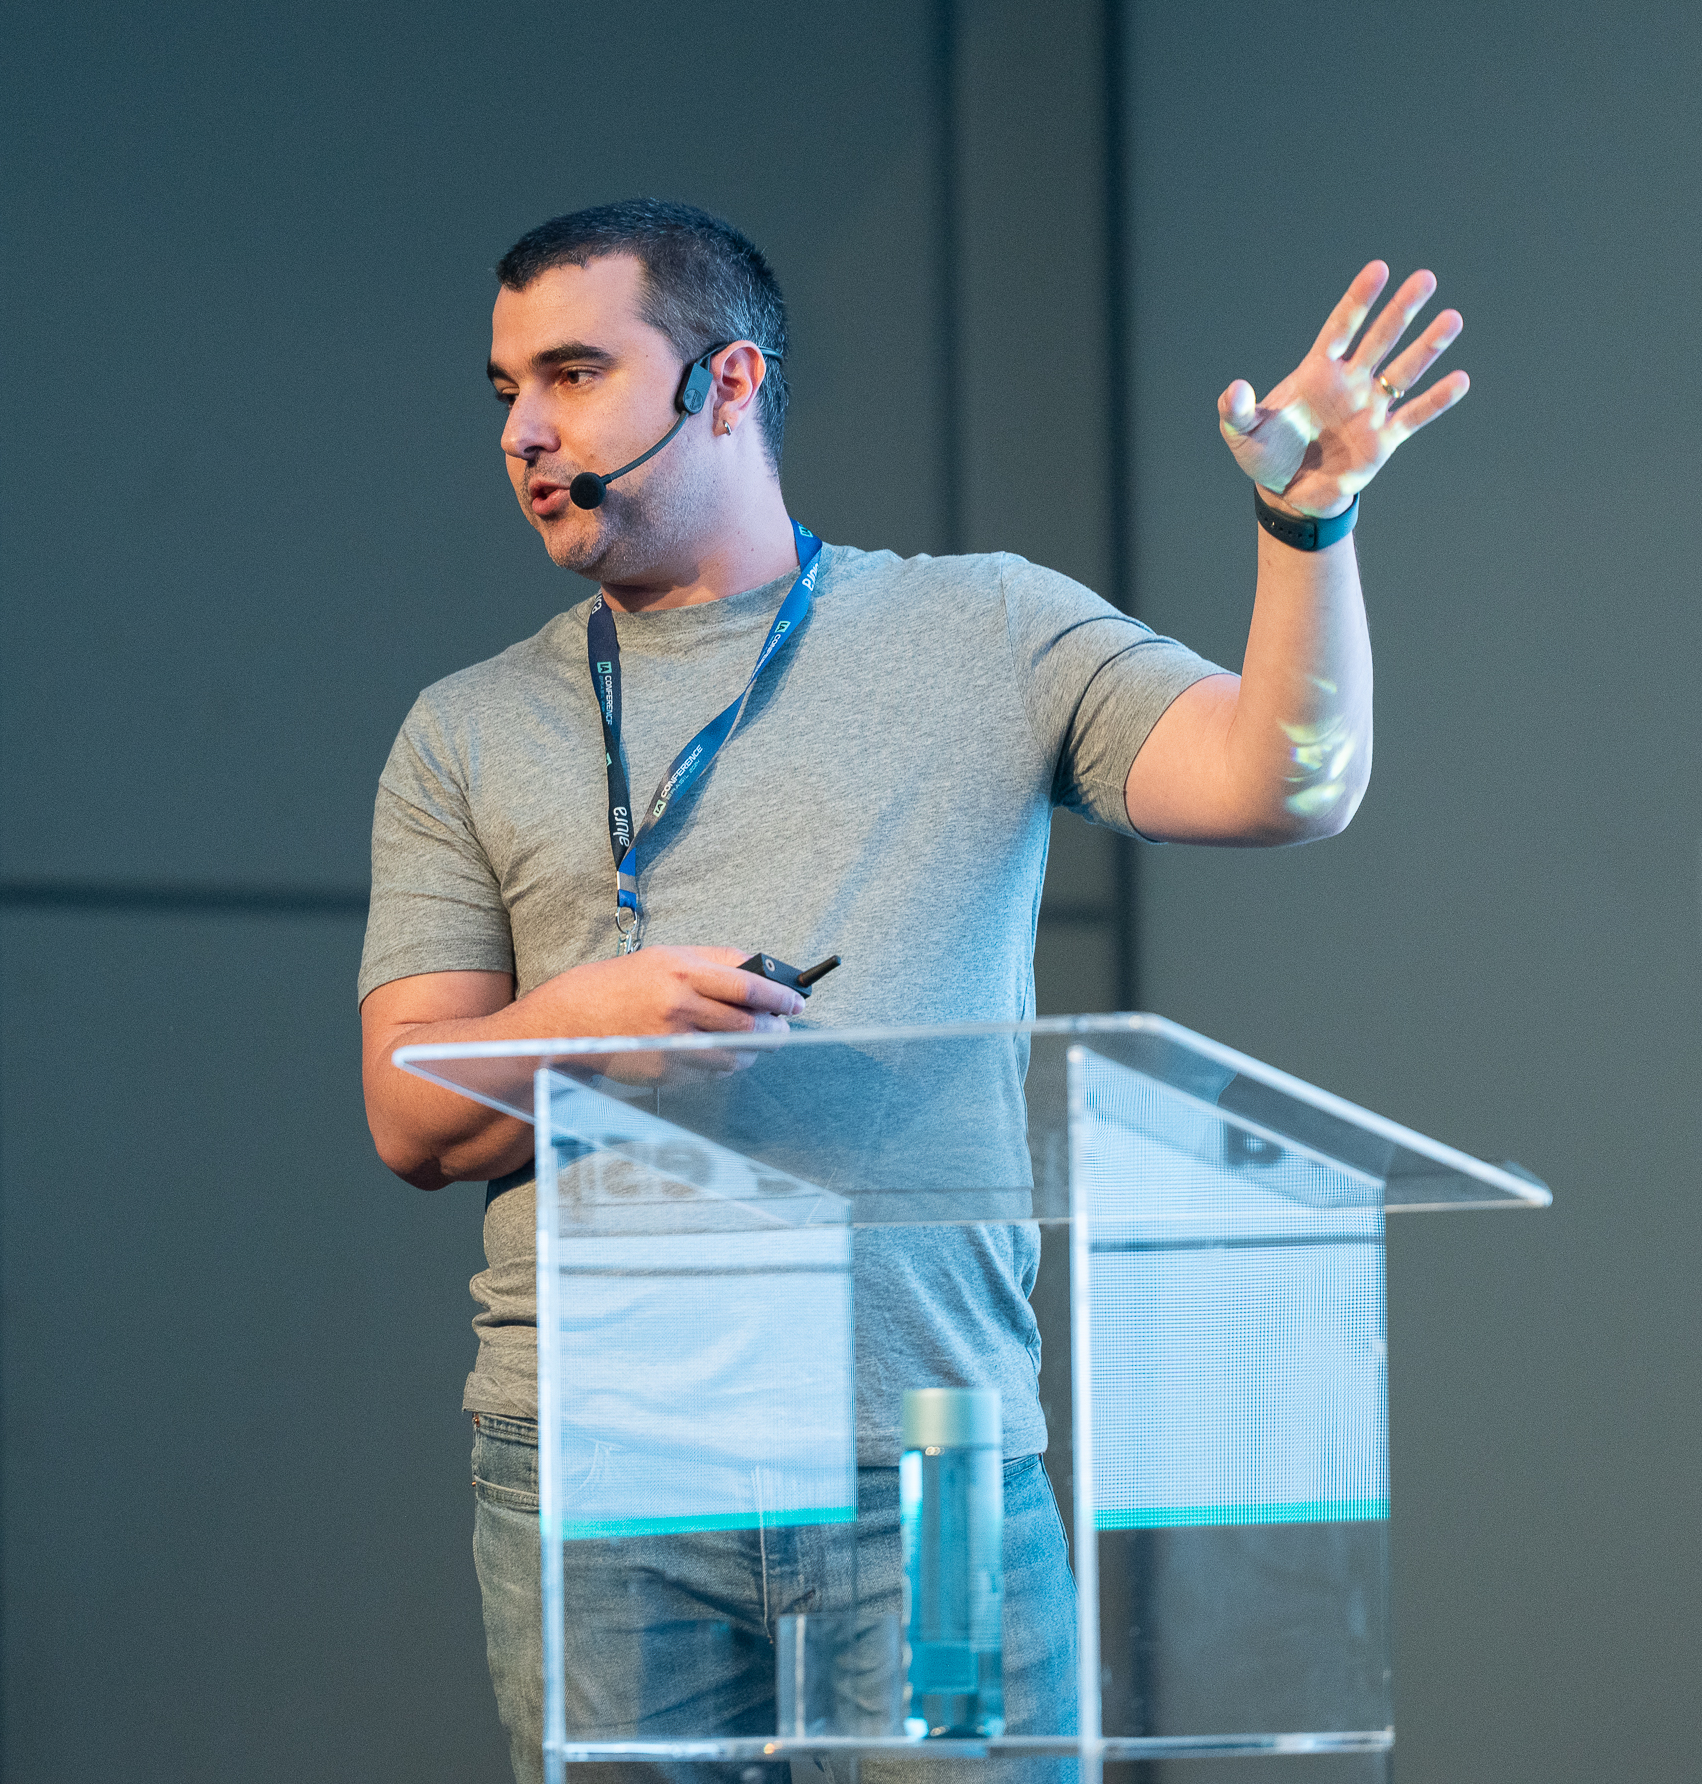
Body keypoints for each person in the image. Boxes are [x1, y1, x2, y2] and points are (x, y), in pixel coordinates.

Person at [356, 199, 1466, 1783]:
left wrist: (1309, 526)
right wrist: (593, 1020)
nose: (527, 430)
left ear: (726, 384)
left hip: (931, 1458)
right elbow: (410, 1108)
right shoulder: (465, 731)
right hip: (600, 1464)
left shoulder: (984, 628)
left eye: (575, 374)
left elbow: (1287, 780)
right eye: (505, 391)